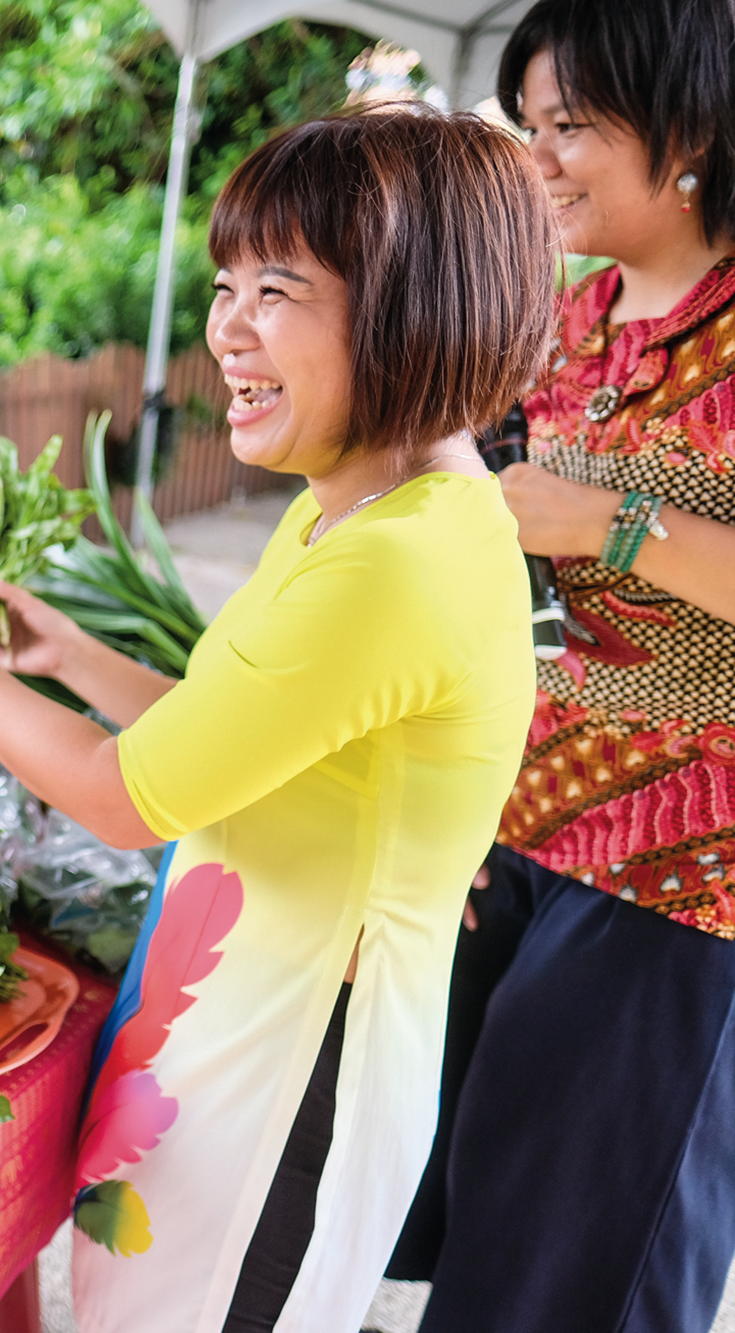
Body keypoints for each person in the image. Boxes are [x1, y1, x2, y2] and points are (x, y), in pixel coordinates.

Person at [0, 108, 550, 1332]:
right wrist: (71, 657)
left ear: (413, 307)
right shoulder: (358, 504)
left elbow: (119, 796)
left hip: (294, 1075)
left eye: (275, 290)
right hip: (233, 1024)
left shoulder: (397, 564)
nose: (224, 329)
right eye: (225, 284)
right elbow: (225, 742)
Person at [412, 3, 735, 1329]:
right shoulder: (573, 318)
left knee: (588, 1264)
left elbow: (580, 528)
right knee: (498, 1228)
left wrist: (607, 521)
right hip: (533, 820)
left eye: (571, 126)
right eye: (527, 123)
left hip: (686, 871)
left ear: (689, 129)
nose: (536, 157)